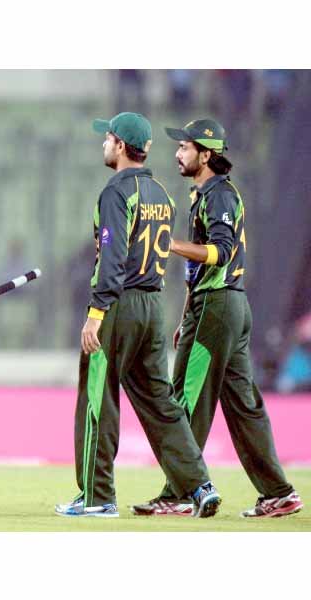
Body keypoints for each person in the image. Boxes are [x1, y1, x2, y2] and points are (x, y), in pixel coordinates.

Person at [131, 119, 303, 518]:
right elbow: (203, 266)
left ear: (206, 155)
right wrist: (186, 311)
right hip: (219, 306)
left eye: (186, 147)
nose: (178, 153)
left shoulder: (220, 196)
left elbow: (220, 252)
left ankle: (179, 492)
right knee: (244, 406)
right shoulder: (205, 195)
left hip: (219, 306)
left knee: (186, 399)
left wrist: (169, 244)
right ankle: (279, 492)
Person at [55, 112, 222, 518]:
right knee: (160, 403)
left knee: (98, 397)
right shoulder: (162, 193)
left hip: (119, 304)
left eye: (107, 137)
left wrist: (96, 313)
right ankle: (199, 485)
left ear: (120, 144)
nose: (103, 144)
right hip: (152, 305)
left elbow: (110, 259)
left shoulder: (116, 192)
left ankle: (97, 497)